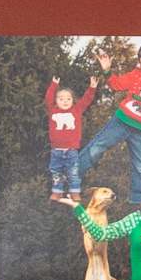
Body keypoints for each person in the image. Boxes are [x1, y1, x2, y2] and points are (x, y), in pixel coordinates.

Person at [77, 41, 141, 212]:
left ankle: (140, 205)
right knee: (97, 146)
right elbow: (116, 85)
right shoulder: (137, 74)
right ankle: (72, 175)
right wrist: (107, 70)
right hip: (122, 121)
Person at [42, 71, 98, 203]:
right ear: (56, 101)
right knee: (56, 172)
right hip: (56, 150)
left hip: (71, 150)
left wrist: (92, 88)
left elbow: (86, 100)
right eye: (61, 99)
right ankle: (57, 192)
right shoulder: (53, 110)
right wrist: (54, 85)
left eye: (68, 99)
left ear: (73, 101)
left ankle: (74, 192)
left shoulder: (76, 110)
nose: (65, 101)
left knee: (73, 172)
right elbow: (48, 98)